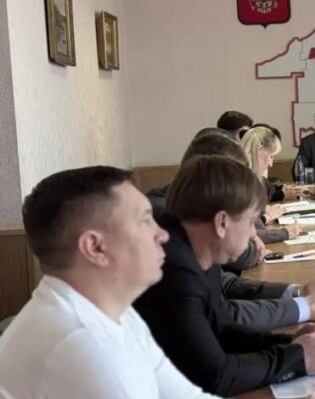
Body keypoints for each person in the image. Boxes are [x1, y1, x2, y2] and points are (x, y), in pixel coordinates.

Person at [0, 166, 217, 398]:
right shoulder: (80, 344)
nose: (163, 235)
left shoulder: (116, 312)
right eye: (145, 221)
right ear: (95, 247)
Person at [135, 156, 315, 396]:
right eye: (251, 221)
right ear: (222, 223)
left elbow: (221, 328)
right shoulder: (173, 270)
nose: (254, 233)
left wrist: (287, 342)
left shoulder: (197, 251)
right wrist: (298, 357)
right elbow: (216, 375)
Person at [148, 132, 315, 330]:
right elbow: (222, 315)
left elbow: (223, 283)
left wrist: (299, 292)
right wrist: (305, 307)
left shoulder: (189, 215)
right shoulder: (166, 221)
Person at [240, 126, 303, 244]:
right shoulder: (242, 185)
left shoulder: (245, 180)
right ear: (260, 150)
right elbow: (249, 234)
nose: (271, 164)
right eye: (271, 156)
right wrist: (285, 233)